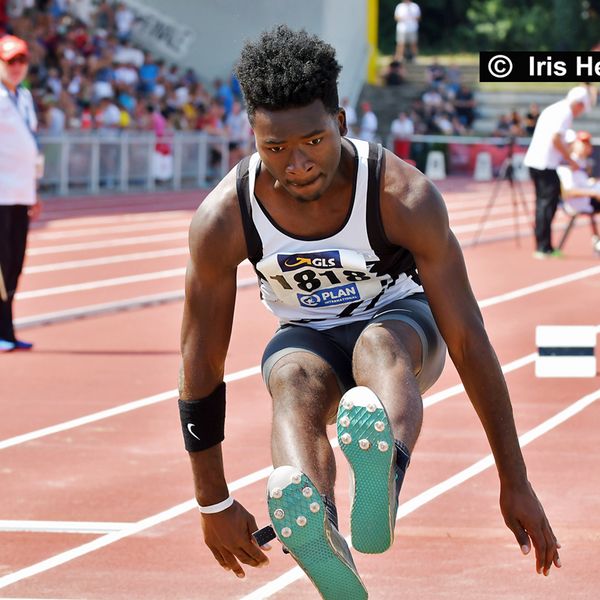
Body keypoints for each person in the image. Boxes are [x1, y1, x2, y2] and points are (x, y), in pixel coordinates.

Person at [178, 25, 561, 600]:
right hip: (307, 335)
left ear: (342, 122)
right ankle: (318, 531)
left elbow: (467, 337)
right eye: (274, 148)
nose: (297, 163)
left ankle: (384, 477)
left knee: (377, 344)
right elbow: (200, 360)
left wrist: (515, 478)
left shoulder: (400, 196)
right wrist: (213, 499)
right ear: (252, 137)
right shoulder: (225, 218)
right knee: (290, 378)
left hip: (405, 327)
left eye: (312, 141)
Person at [0, 35, 41, 351]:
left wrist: (35, 190)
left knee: (14, 265)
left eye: (21, 61)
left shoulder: (24, 98)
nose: (16, 67)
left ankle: (8, 330)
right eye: (10, 61)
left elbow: (31, 147)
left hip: (22, 194)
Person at [524, 86, 591, 258]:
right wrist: (570, 160)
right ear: (578, 104)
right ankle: (544, 247)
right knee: (547, 205)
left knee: (542, 205)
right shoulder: (565, 112)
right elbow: (555, 139)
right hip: (545, 165)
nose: (580, 112)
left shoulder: (554, 108)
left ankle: (542, 245)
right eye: (582, 108)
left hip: (537, 162)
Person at [557, 130, 600, 254]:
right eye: (582, 143)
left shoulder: (583, 163)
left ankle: (597, 242)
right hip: (578, 203)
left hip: (589, 199)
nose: (586, 147)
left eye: (588, 144)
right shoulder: (567, 164)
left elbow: (584, 184)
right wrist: (594, 193)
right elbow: (568, 192)